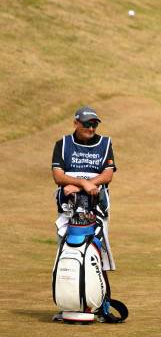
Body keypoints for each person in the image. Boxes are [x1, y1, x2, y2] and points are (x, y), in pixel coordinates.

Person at [51, 106, 117, 271]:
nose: (91, 128)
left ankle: (100, 295)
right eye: (87, 124)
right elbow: (58, 176)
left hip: (97, 206)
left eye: (94, 124)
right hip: (68, 206)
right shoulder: (62, 144)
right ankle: (69, 293)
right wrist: (84, 183)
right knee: (66, 252)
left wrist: (78, 185)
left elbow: (107, 175)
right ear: (76, 123)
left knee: (97, 257)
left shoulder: (105, 143)